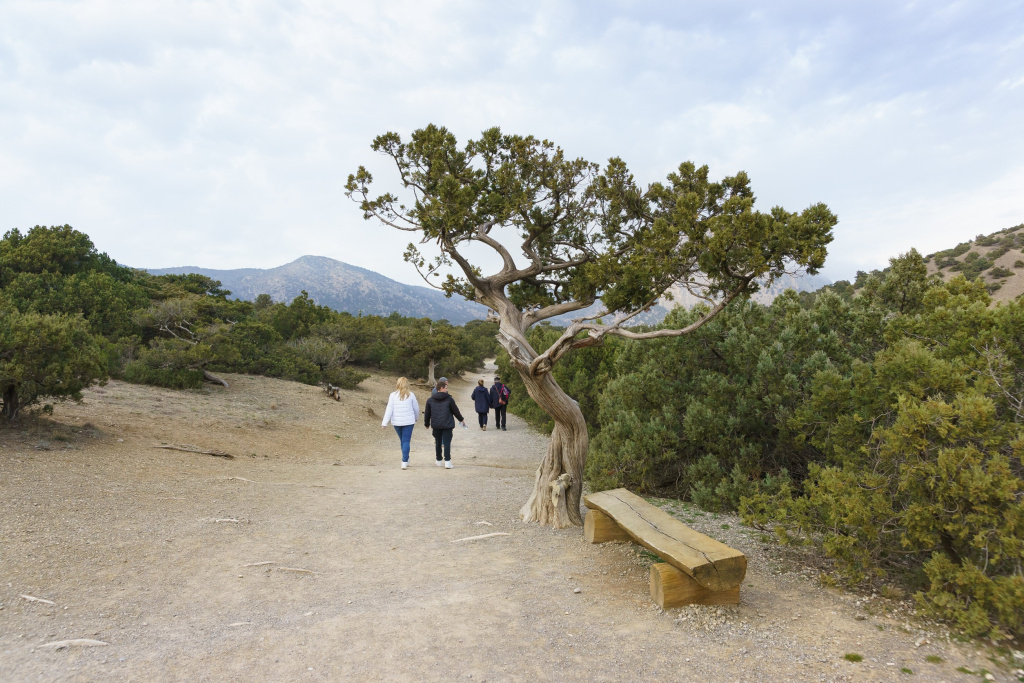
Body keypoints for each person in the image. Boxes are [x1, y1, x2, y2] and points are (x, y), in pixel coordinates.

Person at [424, 378, 465, 468]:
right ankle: (447, 461)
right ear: (441, 388)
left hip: (436, 425)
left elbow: (427, 414)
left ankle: (438, 460)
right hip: (447, 424)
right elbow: (455, 411)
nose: (447, 390)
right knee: (447, 443)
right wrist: (461, 419)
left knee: (438, 442)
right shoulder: (449, 399)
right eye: (446, 388)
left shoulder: (430, 400)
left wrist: (426, 424)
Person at [380, 377, 420, 470]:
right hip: (409, 421)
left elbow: (389, 409)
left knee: (403, 440)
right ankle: (405, 461)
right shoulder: (411, 395)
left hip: (397, 422)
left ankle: (405, 459)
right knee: (406, 440)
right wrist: (416, 418)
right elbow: (416, 408)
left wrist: (384, 422)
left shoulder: (393, 395)